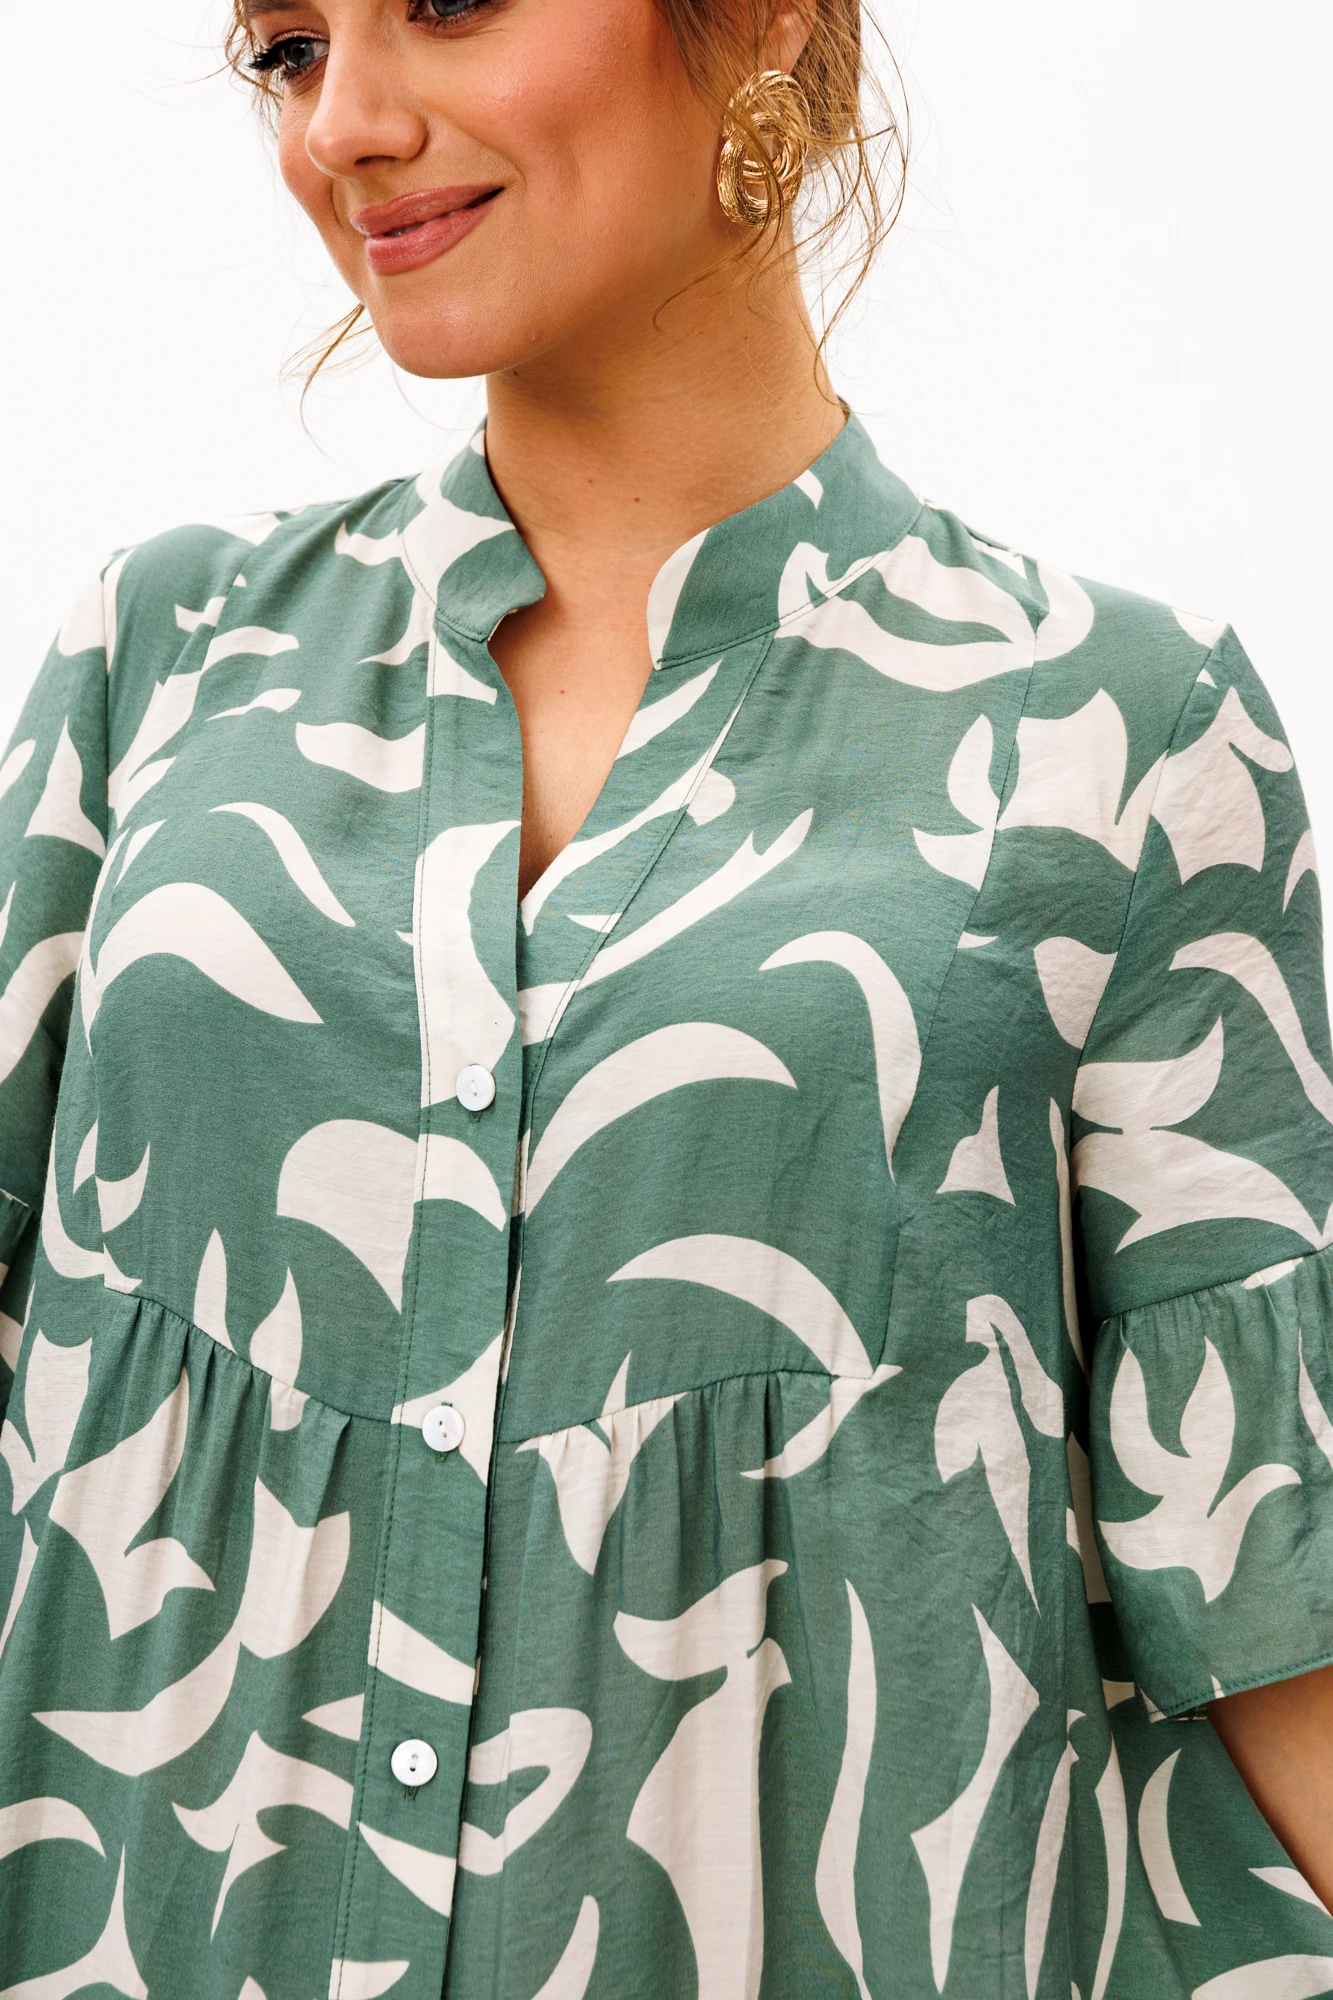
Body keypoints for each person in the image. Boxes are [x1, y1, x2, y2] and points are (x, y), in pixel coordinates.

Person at [1, 0, 1331, 1993]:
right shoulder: (162, 661)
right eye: (286, 48)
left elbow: (1265, 1579)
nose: (343, 124)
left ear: (770, 21)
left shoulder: (1116, 730)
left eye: (446, 1)